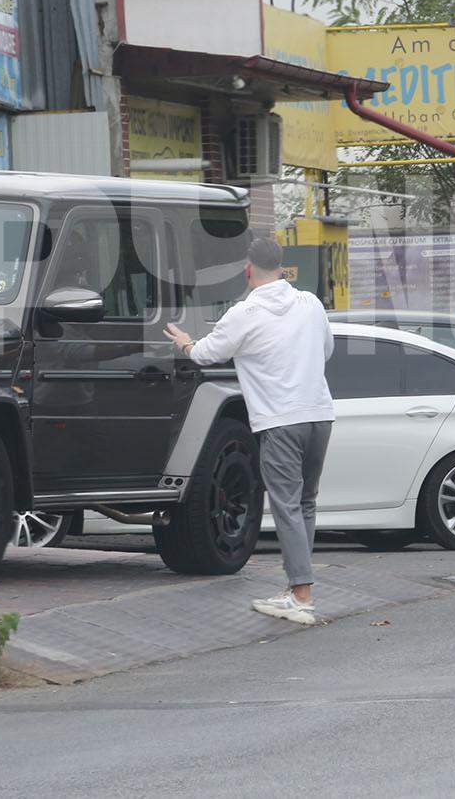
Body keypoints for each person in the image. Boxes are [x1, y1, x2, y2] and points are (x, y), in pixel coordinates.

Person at [165, 236, 334, 625]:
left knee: (287, 505)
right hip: (320, 415)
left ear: (247, 269)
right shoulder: (311, 304)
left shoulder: (245, 312)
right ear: (283, 266)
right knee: (306, 502)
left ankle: (301, 594)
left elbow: (208, 354)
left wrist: (185, 344)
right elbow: (325, 351)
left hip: (280, 419)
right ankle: (297, 588)